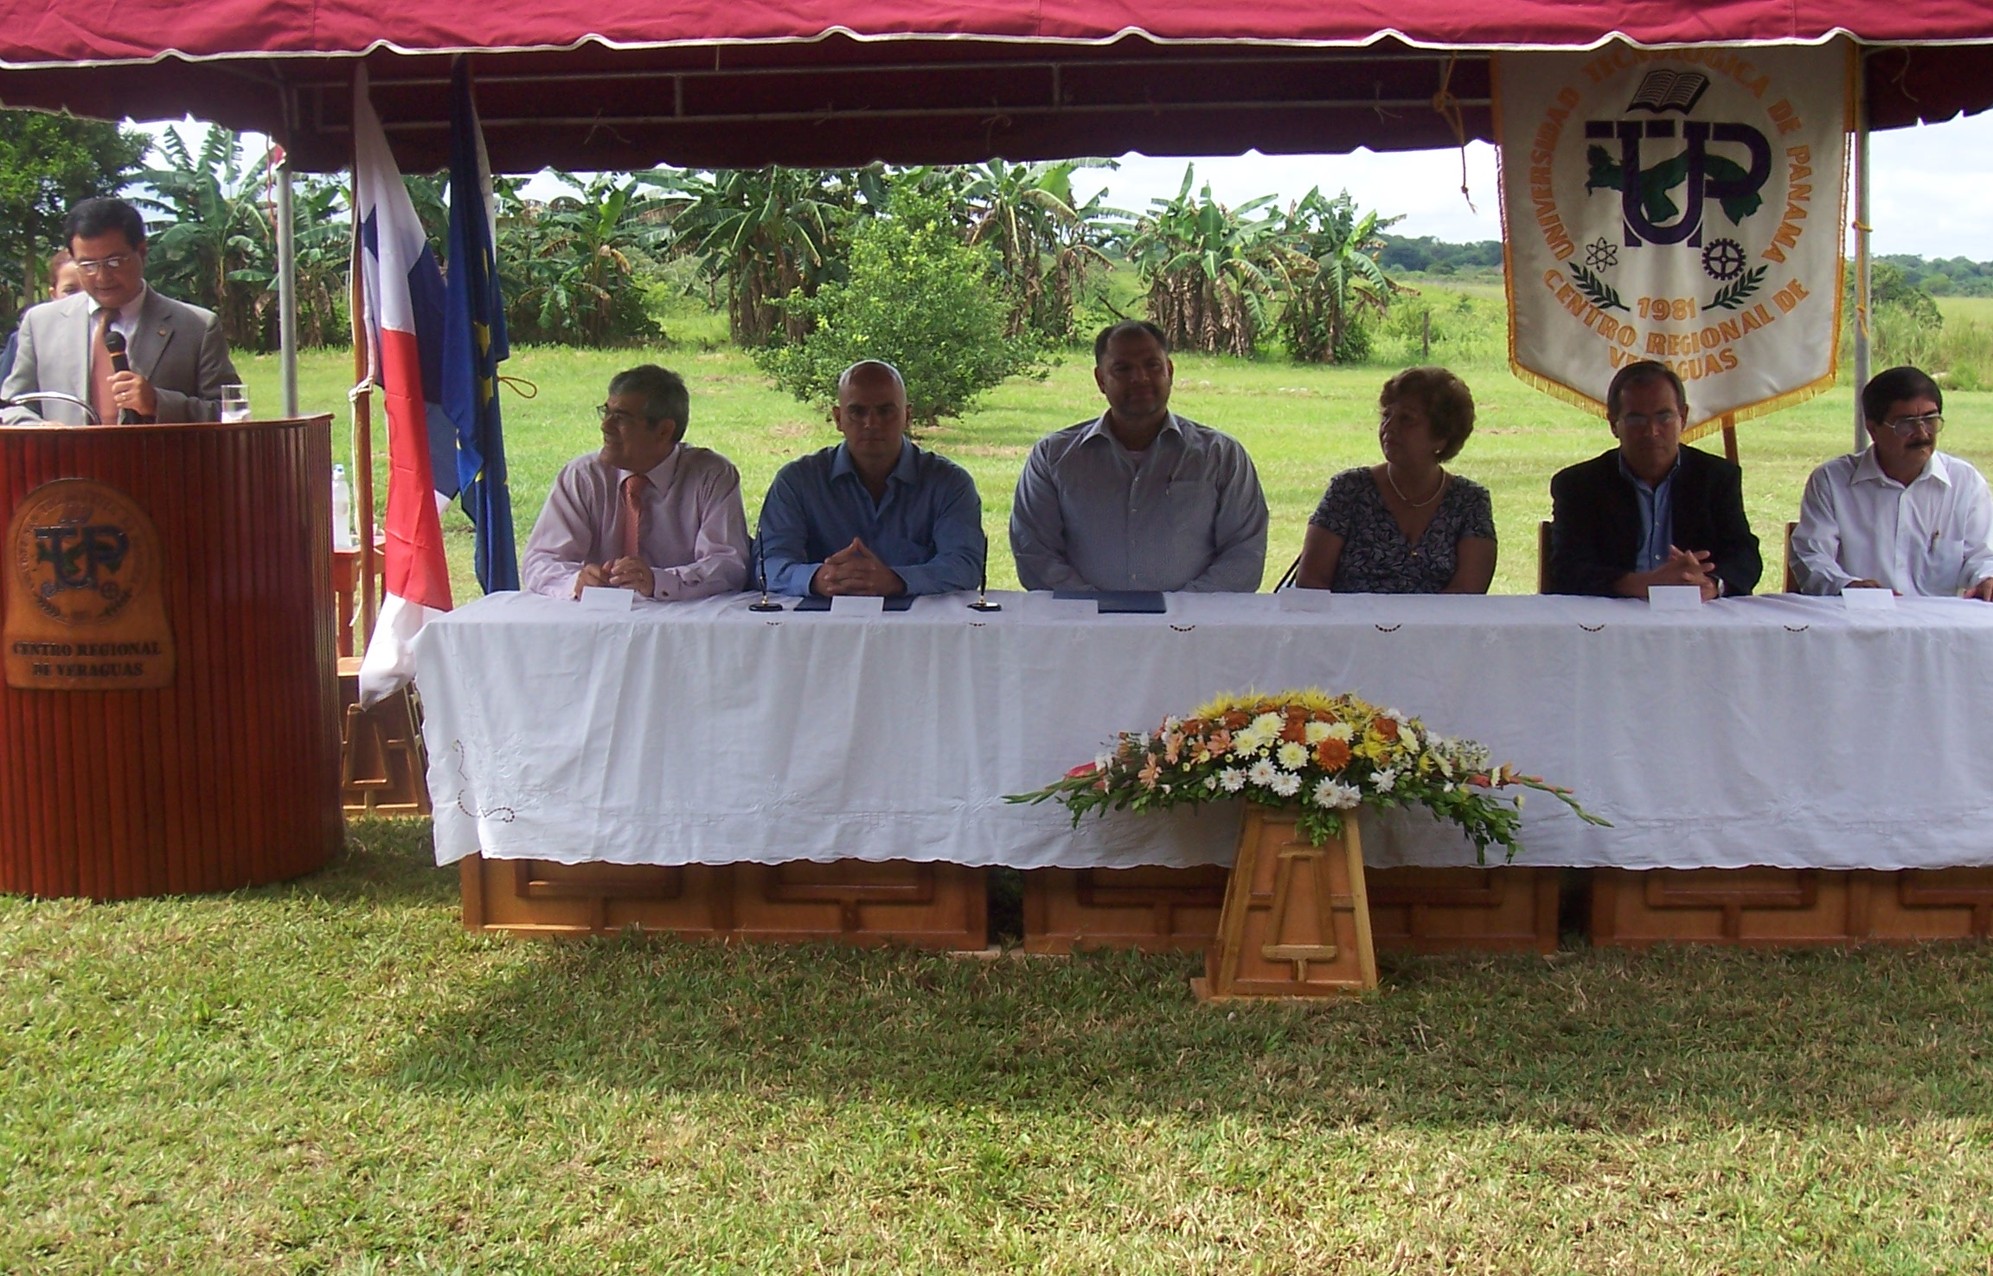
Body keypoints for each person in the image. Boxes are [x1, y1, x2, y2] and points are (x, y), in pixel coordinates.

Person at [1009, 320, 1267, 592]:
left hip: (1192, 630)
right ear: (1100, 380)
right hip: (1082, 629)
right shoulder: (1053, 457)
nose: (1140, 378)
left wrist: (1179, 612)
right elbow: (1035, 552)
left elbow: (1244, 555)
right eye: (1123, 369)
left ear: (1169, 370)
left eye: (1152, 365)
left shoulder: (1221, 456)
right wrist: (1095, 610)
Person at [520, 364, 750, 601]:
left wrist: (659, 581)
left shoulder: (710, 476)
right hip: (595, 624)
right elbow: (539, 560)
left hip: (681, 624)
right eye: (605, 412)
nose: (605, 426)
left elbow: (728, 565)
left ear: (663, 431)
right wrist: (574, 581)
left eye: (620, 418)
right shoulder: (583, 477)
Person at [0, 197, 238, 425]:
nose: (103, 277)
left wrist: (158, 402)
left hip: (157, 464)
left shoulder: (196, 326)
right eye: (88, 265)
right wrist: (40, 429)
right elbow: (12, 406)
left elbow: (230, 412)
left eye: (114, 262)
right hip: (67, 464)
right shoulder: (41, 323)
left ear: (142, 252)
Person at [757, 360, 984, 597]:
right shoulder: (798, 482)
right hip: (819, 627)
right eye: (857, 412)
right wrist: (819, 579)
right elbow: (768, 562)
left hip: (919, 629)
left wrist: (896, 580)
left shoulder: (949, 484)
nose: (872, 423)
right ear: (838, 418)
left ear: (907, 416)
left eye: (886, 411)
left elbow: (965, 565)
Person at [1548, 359, 1761, 599]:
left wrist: (1710, 584)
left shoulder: (1716, 477)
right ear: (1613, 424)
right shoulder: (1579, 485)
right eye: (1636, 419)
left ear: (1683, 416)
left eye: (1664, 417)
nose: (1652, 431)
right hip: (1610, 618)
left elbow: (1745, 556)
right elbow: (1568, 569)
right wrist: (1642, 584)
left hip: (1694, 613)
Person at [1791, 365, 1993, 599]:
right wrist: (1849, 587)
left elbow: (1983, 555)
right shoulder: (1832, 482)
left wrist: (1987, 578)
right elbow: (1812, 558)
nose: (1922, 433)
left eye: (1930, 420)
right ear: (1873, 429)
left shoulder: (1964, 483)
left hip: (1937, 626)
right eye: (1906, 423)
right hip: (1857, 619)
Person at [1295, 366, 1496, 593]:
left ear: (1441, 436)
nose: (1389, 427)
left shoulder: (1469, 502)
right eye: (1386, 415)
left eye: (1406, 419)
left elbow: (1468, 593)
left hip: (1437, 628)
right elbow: (1311, 581)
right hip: (1349, 627)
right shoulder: (1349, 490)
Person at [0, 250, 85, 387]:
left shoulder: (115, 334)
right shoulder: (28, 340)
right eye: (70, 291)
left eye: (88, 289)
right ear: (53, 294)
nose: (82, 298)